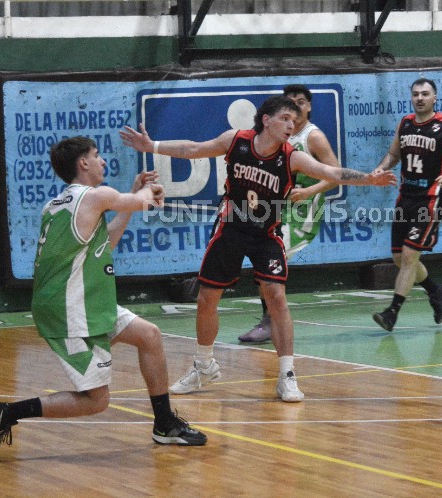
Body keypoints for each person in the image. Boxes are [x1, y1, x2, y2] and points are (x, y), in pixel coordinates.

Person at [120, 95, 396, 402]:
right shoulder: (236, 141)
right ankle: (204, 365)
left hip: (266, 234)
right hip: (231, 228)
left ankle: (287, 376)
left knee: (277, 298)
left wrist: (369, 180)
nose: (291, 125)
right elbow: (192, 149)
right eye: (285, 119)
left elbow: (332, 173)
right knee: (207, 298)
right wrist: (152, 146)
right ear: (266, 119)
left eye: (294, 121)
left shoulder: (292, 157)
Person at [0, 136, 207, 459]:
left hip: (85, 301)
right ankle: (7, 413)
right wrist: (145, 194)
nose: (103, 161)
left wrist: (133, 197)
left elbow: (105, 243)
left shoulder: (58, 205)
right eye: (97, 155)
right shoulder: (93, 196)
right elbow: (144, 200)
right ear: (83, 163)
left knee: (149, 336)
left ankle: (165, 424)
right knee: (97, 400)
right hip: (69, 309)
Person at [371, 77, 442, 331]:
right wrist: (380, 168)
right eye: (416, 94)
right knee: (399, 258)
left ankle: (392, 313)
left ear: (434, 98)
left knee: (410, 255)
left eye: (425, 94)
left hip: (431, 197)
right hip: (405, 196)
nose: (420, 98)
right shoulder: (405, 124)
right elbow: (393, 153)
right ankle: (436, 290)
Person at [238, 84, 340, 344]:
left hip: (303, 213)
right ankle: (269, 319)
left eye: (302, 101)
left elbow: (336, 175)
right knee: (262, 262)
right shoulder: (276, 135)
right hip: (277, 208)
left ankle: (270, 321)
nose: (297, 106)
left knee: (269, 261)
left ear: (310, 106)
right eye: (291, 102)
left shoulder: (313, 137)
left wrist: (309, 191)